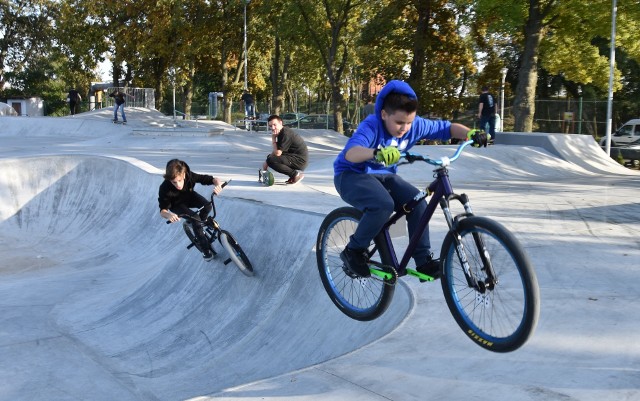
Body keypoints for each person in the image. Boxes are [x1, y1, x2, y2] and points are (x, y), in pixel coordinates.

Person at [333, 80, 487, 279]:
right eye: (398, 123)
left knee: (418, 201)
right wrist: (376, 152)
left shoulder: (415, 125)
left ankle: (423, 260)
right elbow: (351, 154)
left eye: (409, 122)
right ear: (384, 114)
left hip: (384, 176)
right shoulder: (371, 126)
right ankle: (353, 250)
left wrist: (471, 133)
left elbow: (447, 129)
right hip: (351, 175)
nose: (404, 128)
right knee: (383, 204)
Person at [158, 159, 224, 261]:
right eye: (174, 182)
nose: (178, 185)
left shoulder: (189, 175)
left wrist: (218, 185)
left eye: (179, 181)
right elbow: (163, 210)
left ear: (184, 175)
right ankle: (205, 250)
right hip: (176, 205)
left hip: (189, 197)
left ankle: (200, 224)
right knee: (195, 218)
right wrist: (169, 215)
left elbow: (210, 179)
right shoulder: (164, 188)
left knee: (207, 206)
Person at [259, 114, 309, 185]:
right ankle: (293, 176)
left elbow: (278, 153)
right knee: (270, 158)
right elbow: (277, 151)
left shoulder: (286, 134)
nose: (273, 128)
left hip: (300, 160)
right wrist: (267, 161)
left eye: (274, 125)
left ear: (280, 123)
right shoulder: (281, 132)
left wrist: (273, 139)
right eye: (270, 126)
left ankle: (295, 175)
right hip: (294, 157)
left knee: (271, 160)